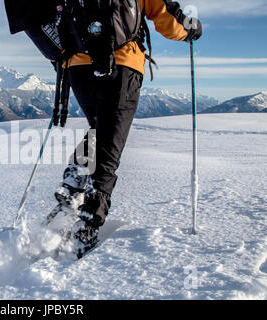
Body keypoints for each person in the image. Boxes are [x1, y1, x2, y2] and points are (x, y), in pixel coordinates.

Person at [51, 0, 203, 256]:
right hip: (121, 61)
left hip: (77, 64)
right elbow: (167, 18)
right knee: (110, 144)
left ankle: (74, 181)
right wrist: (192, 28)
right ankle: (88, 223)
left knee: (101, 131)